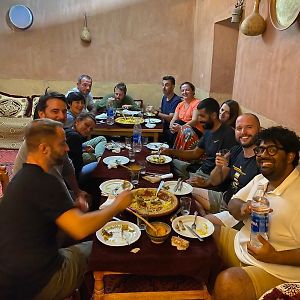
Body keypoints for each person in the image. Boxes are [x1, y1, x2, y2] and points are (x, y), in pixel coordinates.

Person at [0, 119, 132, 299]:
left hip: (12, 278)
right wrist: (117, 205)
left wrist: (72, 211)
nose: (67, 148)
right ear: (44, 148)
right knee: (104, 250)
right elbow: (79, 228)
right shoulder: (45, 181)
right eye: (62, 143)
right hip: (39, 282)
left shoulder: (22, 177)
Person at [213, 126, 300, 300]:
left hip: (276, 269)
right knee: (204, 230)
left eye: (272, 149)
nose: (262, 154)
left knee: (228, 282)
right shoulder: (261, 180)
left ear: (290, 156)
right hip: (242, 246)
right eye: (260, 149)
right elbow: (233, 203)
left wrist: (274, 256)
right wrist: (244, 208)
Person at [13, 91, 88, 202]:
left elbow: (67, 166)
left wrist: (78, 192)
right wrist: (76, 201)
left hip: (48, 192)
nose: (62, 116)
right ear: (41, 114)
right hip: (30, 200)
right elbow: (55, 181)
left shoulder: (55, 135)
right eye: (55, 111)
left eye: (64, 111)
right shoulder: (40, 141)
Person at [189, 113, 261, 220]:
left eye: (249, 127)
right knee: (185, 191)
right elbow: (215, 181)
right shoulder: (235, 151)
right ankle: (206, 214)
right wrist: (218, 167)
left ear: (259, 130)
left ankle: (206, 216)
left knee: (204, 221)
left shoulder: (262, 160)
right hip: (224, 199)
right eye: (239, 128)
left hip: (237, 212)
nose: (243, 132)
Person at [162, 98, 237, 179]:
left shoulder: (228, 135)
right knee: (166, 162)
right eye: (198, 116)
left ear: (214, 115)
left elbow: (224, 170)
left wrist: (205, 183)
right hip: (199, 169)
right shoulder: (208, 130)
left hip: (208, 177)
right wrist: (169, 151)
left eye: (202, 116)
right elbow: (195, 153)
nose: (199, 119)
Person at [65, 112, 106, 179]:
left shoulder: (69, 129)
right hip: (74, 173)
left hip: (78, 149)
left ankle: (99, 157)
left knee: (101, 138)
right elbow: (77, 165)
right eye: (86, 125)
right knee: (97, 162)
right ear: (77, 121)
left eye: (91, 129)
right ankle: (99, 159)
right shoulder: (75, 137)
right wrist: (84, 151)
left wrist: (83, 147)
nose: (88, 130)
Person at [149, 75, 181, 145]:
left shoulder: (177, 100)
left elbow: (170, 118)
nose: (163, 88)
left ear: (173, 86)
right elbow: (161, 111)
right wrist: (153, 111)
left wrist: (156, 112)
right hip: (162, 126)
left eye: (166, 85)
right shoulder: (164, 97)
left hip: (169, 130)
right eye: (163, 85)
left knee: (149, 137)